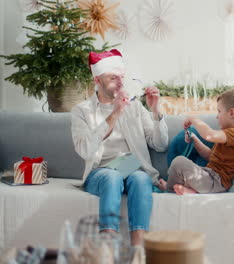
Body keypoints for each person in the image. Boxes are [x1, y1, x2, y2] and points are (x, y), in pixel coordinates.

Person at [71, 49, 168, 245]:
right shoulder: (81, 111)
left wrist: (155, 110)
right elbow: (85, 150)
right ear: (97, 80)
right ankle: (108, 247)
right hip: (101, 172)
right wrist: (115, 113)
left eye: (122, 77)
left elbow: (160, 144)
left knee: (141, 178)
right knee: (112, 176)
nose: (121, 82)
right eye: (113, 77)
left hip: (133, 168)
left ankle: (138, 251)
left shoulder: (135, 107)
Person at [159, 88, 234, 195]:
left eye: (219, 111)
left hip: (217, 183)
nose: (217, 116)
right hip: (209, 177)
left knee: (179, 162)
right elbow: (210, 156)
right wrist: (194, 139)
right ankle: (190, 191)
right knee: (182, 168)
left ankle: (170, 189)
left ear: (231, 113)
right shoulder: (229, 134)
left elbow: (209, 135)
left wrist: (194, 119)